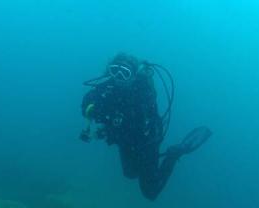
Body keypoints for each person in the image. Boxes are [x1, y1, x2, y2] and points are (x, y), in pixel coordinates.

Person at [80, 53, 212, 200]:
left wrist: (108, 128)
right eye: (114, 70)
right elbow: (90, 98)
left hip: (146, 140)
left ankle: (174, 154)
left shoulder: (142, 93)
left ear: (133, 76)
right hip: (124, 140)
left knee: (150, 192)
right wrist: (90, 108)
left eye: (125, 72)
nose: (118, 76)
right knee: (130, 174)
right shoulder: (109, 85)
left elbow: (133, 125)